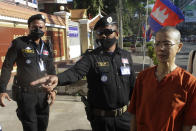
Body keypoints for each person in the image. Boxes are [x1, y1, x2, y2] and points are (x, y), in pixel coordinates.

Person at [31, 16, 136, 131]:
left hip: (125, 118)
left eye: (107, 32)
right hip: (101, 120)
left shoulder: (126, 56)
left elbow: (133, 86)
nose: (104, 36)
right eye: (100, 33)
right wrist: (58, 78)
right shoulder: (91, 57)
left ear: (117, 34)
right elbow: (75, 72)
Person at [128, 26, 196, 131]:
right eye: (157, 44)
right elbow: (134, 114)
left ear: (179, 47)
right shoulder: (143, 77)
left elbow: (187, 124)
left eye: (167, 44)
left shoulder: (188, 81)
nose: (161, 48)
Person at [0, 14, 57, 131]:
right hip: (26, 95)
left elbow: (51, 70)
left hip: (43, 94)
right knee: (30, 127)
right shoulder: (19, 43)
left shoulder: (46, 46)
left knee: (43, 126)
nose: (38, 30)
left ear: (45, 29)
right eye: (34, 27)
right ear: (29, 28)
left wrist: (53, 89)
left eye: (41, 27)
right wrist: (2, 90)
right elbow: (7, 67)